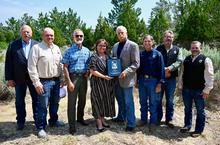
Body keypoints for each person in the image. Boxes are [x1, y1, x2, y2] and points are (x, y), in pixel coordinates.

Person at [28, 27, 64, 138]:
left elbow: (61, 64)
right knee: (42, 106)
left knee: (55, 103)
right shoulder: (37, 48)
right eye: (47, 35)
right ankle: (41, 127)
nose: (50, 37)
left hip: (56, 81)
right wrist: (36, 83)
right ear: (43, 36)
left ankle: (53, 121)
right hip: (43, 82)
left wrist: (62, 78)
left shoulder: (57, 48)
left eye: (51, 35)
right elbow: (31, 66)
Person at [5, 24, 38, 130]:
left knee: (36, 99)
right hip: (18, 78)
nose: (26, 33)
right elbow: (8, 62)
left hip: (34, 78)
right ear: (21, 33)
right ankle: (20, 121)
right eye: (24, 32)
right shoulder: (13, 45)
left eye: (28, 32)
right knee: (19, 100)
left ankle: (37, 119)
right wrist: (9, 78)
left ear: (31, 33)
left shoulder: (37, 45)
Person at [178, 41, 214, 137]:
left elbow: (210, 76)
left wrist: (207, 90)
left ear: (200, 48)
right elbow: (182, 73)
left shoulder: (206, 60)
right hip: (186, 90)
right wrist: (180, 85)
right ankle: (187, 125)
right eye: (193, 48)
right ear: (190, 48)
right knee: (187, 109)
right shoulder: (187, 59)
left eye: (196, 47)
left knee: (200, 111)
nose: (194, 49)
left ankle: (198, 130)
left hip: (200, 91)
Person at [61, 29, 91, 135]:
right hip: (73, 78)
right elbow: (65, 67)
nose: (79, 37)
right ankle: (72, 125)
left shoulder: (87, 51)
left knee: (82, 100)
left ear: (83, 37)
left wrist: (88, 73)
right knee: (72, 103)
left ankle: (80, 119)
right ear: (73, 37)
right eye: (77, 36)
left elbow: (89, 65)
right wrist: (68, 81)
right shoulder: (68, 51)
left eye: (81, 36)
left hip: (83, 78)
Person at [112, 25, 140, 132]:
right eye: (118, 33)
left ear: (126, 33)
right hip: (117, 78)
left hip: (127, 79)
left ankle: (131, 123)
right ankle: (121, 117)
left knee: (128, 102)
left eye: (122, 33)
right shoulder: (115, 46)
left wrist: (125, 72)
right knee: (120, 100)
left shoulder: (133, 45)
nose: (120, 35)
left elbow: (136, 63)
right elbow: (113, 60)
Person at [136, 35, 165, 129]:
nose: (147, 43)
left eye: (149, 41)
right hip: (142, 80)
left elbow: (162, 70)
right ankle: (143, 120)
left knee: (153, 103)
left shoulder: (157, 54)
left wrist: (160, 83)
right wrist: (137, 80)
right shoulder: (141, 54)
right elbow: (138, 69)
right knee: (143, 101)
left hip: (153, 81)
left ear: (152, 42)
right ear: (143, 43)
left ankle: (153, 122)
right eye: (145, 41)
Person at [156, 30, 183, 128]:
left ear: (173, 38)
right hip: (160, 79)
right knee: (158, 99)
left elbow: (179, 61)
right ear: (163, 38)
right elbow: (155, 60)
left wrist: (169, 69)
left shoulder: (177, 49)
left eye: (170, 37)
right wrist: (163, 70)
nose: (168, 39)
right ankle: (158, 118)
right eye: (166, 37)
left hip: (171, 79)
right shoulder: (158, 48)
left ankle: (169, 119)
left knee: (170, 100)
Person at [89, 39, 115, 132]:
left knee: (104, 101)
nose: (102, 47)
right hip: (97, 82)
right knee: (96, 101)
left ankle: (103, 120)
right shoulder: (94, 57)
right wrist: (104, 76)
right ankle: (99, 122)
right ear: (96, 46)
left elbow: (113, 67)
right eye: (100, 45)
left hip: (107, 83)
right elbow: (92, 71)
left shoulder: (108, 57)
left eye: (104, 45)